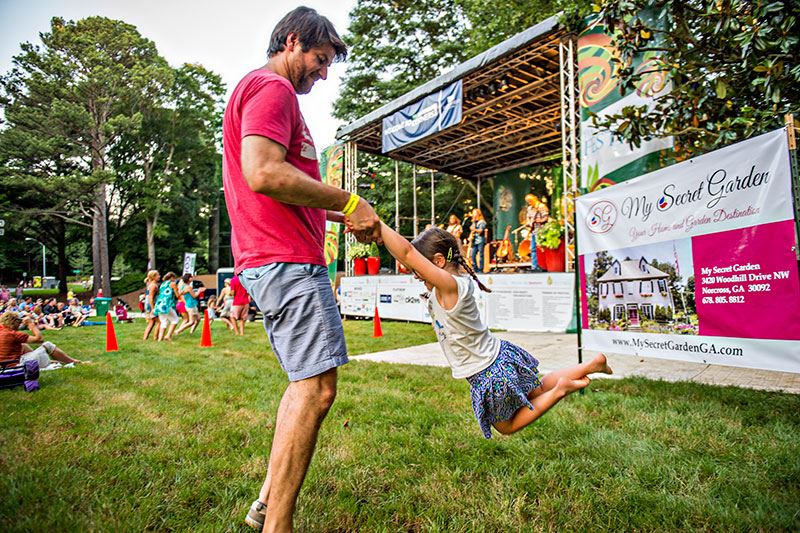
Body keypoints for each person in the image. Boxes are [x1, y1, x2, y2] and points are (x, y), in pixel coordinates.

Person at [222, 7, 381, 531]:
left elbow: (280, 185)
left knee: (302, 385)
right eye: (320, 59)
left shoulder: (261, 90)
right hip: (285, 260)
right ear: (292, 42)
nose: (324, 73)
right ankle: (278, 524)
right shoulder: (273, 90)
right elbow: (264, 174)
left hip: (274, 258)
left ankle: (267, 501)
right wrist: (349, 198)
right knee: (316, 388)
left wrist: (338, 215)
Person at [379, 225, 613, 438]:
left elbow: (408, 252)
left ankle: (560, 391)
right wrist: (376, 234)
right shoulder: (455, 283)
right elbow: (405, 255)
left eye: (417, 268)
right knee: (538, 389)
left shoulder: (450, 287)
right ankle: (592, 364)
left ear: (438, 261)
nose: (414, 273)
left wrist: (376, 222)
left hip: (488, 372)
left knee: (506, 426)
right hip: (500, 355)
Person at [0, 311, 87, 367]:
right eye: (18, 323)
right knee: (48, 345)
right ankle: (74, 361)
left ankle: (49, 361)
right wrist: (31, 324)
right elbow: (40, 339)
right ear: (14, 323)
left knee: (22, 344)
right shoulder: (13, 334)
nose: (19, 326)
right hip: (16, 366)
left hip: (3, 366)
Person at [525, 194, 549, 272]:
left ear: (535, 198)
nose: (529, 203)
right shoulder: (529, 208)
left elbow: (545, 217)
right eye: (528, 201)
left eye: (530, 201)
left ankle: (543, 265)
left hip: (541, 230)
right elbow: (528, 217)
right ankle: (534, 266)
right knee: (533, 248)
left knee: (541, 248)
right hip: (534, 230)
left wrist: (539, 221)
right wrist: (529, 223)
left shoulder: (541, 206)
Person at [153, 272, 180, 341]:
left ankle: (160, 338)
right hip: (167, 304)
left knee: (163, 321)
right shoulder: (172, 284)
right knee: (175, 319)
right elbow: (177, 295)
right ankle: (168, 335)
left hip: (159, 304)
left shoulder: (162, 284)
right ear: (172, 278)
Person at [143, 270, 161, 340]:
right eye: (158, 275)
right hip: (151, 306)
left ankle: (145, 338)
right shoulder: (153, 286)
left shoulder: (150, 284)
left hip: (148, 305)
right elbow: (150, 297)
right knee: (160, 322)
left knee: (151, 322)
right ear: (153, 277)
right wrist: (153, 308)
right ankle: (156, 337)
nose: (159, 276)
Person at [468, 208, 487, 272]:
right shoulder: (474, 222)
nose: (473, 214)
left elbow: (480, 231)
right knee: (472, 255)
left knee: (481, 254)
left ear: (478, 214)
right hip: (474, 241)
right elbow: (472, 229)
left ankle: (481, 269)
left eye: (475, 213)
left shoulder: (482, 222)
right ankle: (475, 269)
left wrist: (474, 229)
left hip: (480, 240)